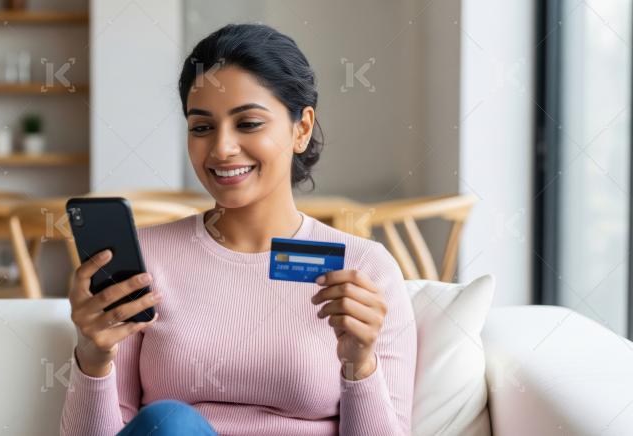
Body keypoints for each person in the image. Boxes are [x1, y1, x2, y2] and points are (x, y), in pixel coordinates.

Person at [61, 23, 417, 436]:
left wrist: (360, 365)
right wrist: (93, 355)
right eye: (201, 127)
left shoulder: (365, 270)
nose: (221, 148)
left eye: (247, 123)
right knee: (170, 423)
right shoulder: (145, 259)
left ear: (301, 128)